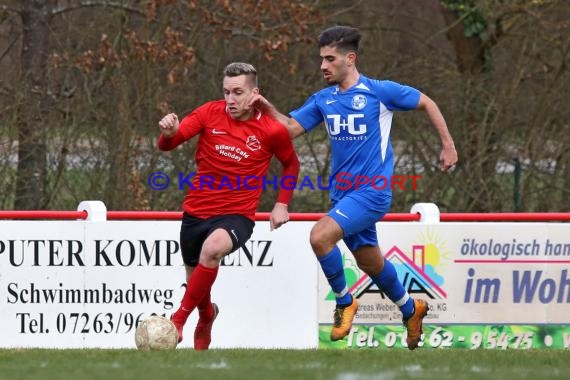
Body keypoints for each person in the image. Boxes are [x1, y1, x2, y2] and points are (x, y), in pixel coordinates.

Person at [250, 26, 458, 350]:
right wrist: (265, 110)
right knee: (370, 262)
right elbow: (290, 128)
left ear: (350, 58)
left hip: (372, 192)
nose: (323, 66)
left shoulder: (379, 92)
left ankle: (345, 302)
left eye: (329, 59)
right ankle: (410, 308)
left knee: (319, 237)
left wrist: (447, 145)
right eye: (321, 59)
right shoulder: (323, 99)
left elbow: (427, 103)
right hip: (343, 195)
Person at [157, 62, 300, 350]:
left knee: (212, 250)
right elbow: (167, 145)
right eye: (226, 92)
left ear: (254, 93)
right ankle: (206, 315)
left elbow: (291, 165)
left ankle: (178, 321)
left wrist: (281, 204)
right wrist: (169, 133)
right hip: (196, 212)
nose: (231, 100)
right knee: (197, 280)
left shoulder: (271, 129)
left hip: (238, 215)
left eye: (238, 92)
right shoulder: (209, 113)